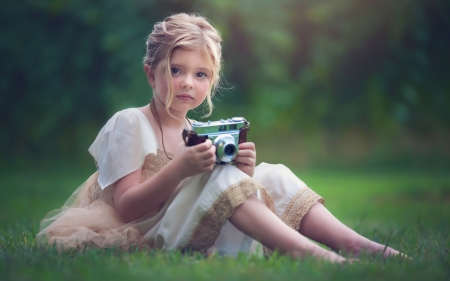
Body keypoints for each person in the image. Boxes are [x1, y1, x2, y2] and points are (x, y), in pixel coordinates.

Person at [37, 13, 402, 263]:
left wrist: (244, 171)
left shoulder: (194, 131)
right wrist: (180, 169)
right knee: (221, 176)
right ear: (151, 74)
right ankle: (310, 254)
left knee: (270, 172)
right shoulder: (129, 123)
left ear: (211, 82)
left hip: (190, 225)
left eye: (200, 75)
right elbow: (127, 208)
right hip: (148, 232)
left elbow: (218, 197)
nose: (186, 83)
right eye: (175, 70)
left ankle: (356, 244)